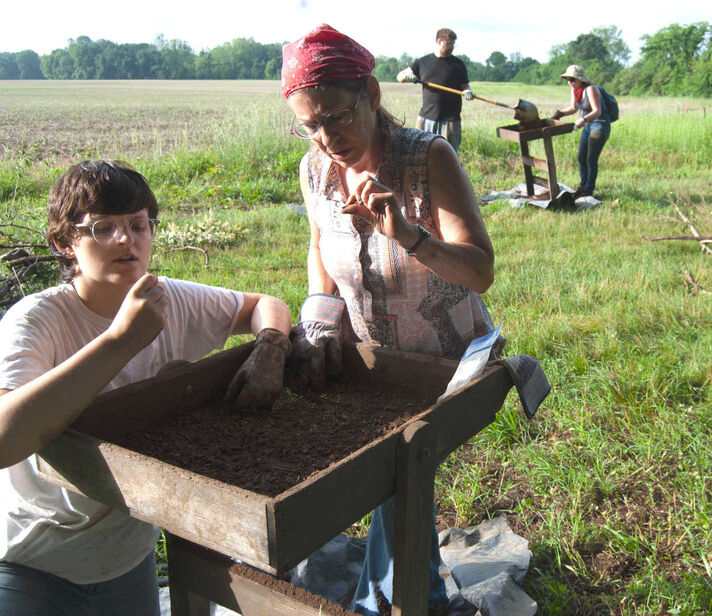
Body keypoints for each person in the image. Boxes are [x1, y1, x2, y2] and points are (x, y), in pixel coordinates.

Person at [0, 160, 292, 616]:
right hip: (31, 562)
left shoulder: (166, 299)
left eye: (138, 225)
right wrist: (121, 340)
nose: (126, 239)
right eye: (103, 227)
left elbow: (263, 304)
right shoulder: (36, 321)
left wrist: (272, 344)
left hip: (127, 558)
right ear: (64, 244)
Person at [281, 24, 498, 615]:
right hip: (375, 361)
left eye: (338, 117)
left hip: (444, 362)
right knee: (378, 477)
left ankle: (393, 601)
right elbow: (318, 248)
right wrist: (320, 318)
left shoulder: (428, 158)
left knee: (401, 470)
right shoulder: (315, 170)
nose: (327, 137)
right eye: (310, 124)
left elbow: (479, 272)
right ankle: (408, 591)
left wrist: (408, 234)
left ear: (373, 95)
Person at [396, 28, 474, 153]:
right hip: (426, 118)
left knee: (448, 156)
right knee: (421, 154)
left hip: (450, 121)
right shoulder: (423, 62)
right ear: (439, 42)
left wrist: (467, 93)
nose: (452, 47)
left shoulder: (458, 65)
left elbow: (466, 87)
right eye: (449, 43)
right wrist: (407, 76)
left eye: (453, 44)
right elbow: (400, 76)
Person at [551, 64, 613, 199]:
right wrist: (559, 113)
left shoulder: (590, 89)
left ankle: (589, 189)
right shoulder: (575, 90)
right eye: (567, 80)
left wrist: (583, 120)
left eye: (572, 79)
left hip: (599, 125)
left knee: (591, 158)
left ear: (580, 79)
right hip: (588, 125)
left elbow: (597, 111)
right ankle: (583, 186)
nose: (570, 83)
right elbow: (573, 108)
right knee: (581, 157)